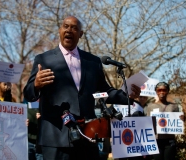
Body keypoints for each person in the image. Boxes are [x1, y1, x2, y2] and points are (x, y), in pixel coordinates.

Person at [23, 16, 141, 160]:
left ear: (81, 34)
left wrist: (126, 95)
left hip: (87, 135)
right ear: (60, 30)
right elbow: (28, 94)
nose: (69, 30)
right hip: (56, 137)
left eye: (74, 28)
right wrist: (35, 85)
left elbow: (105, 91)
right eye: (65, 26)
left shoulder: (92, 61)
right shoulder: (44, 59)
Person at [147, 82, 185, 160]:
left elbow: (178, 122)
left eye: (164, 90)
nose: (161, 92)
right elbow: (148, 124)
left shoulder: (174, 106)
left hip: (170, 140)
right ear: (156, 92)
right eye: (159, 90)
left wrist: (183, 119)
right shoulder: (150, 106)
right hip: (156, 141)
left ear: (167, 91)